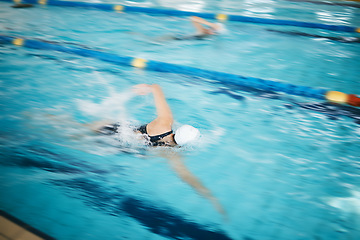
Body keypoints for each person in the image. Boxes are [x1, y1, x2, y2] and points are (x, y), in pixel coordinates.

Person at [96, 84, 226, 217]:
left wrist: (145, 88)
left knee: (79, 131)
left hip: (114, 129)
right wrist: (211, 198)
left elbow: (156, 87)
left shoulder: (164, 122)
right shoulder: (171, 153)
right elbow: (188, 177)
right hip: (119, 147)